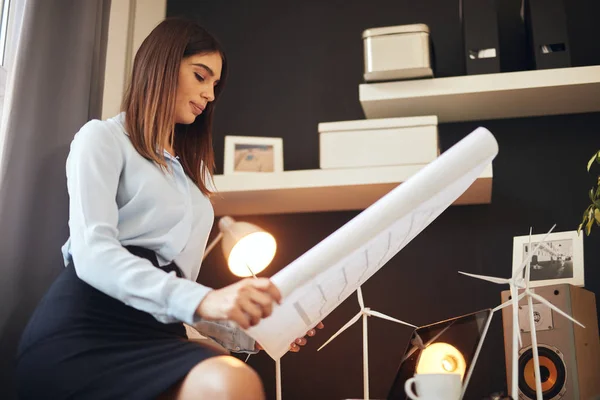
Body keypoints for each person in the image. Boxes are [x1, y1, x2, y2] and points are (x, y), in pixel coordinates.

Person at [16, 18, 322, 400]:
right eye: (201, 76)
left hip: (160, 330)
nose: (210, 94)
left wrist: (256, 332)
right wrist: (206, 299)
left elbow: (182, 294)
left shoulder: (195, 185)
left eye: (215, 86)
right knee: (229, 379)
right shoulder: (102, 138)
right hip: (88, 324)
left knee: (230, 377)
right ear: (161, 65)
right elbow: (92, 253)